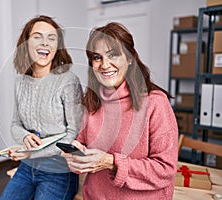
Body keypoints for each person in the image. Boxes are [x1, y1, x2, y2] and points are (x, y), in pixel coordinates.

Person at [61, 22, 178, 200]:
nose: (104, 65)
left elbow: (165, 170)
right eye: (97, 57)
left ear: (130, 58)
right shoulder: (91, 102)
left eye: (113, 55)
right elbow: (82, 146)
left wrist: (111, 162)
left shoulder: (155, 103)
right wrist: (75, 157)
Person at [0, 15, 83, 200]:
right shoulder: (21, 82)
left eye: (51, 38)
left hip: (59, 172)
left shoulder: (68, 81)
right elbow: (15, 124)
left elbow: (74, 133)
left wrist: (32, 151)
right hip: (28, 167)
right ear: (26, 43)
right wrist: (25, 137)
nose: (45, 42)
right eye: (37, 36)